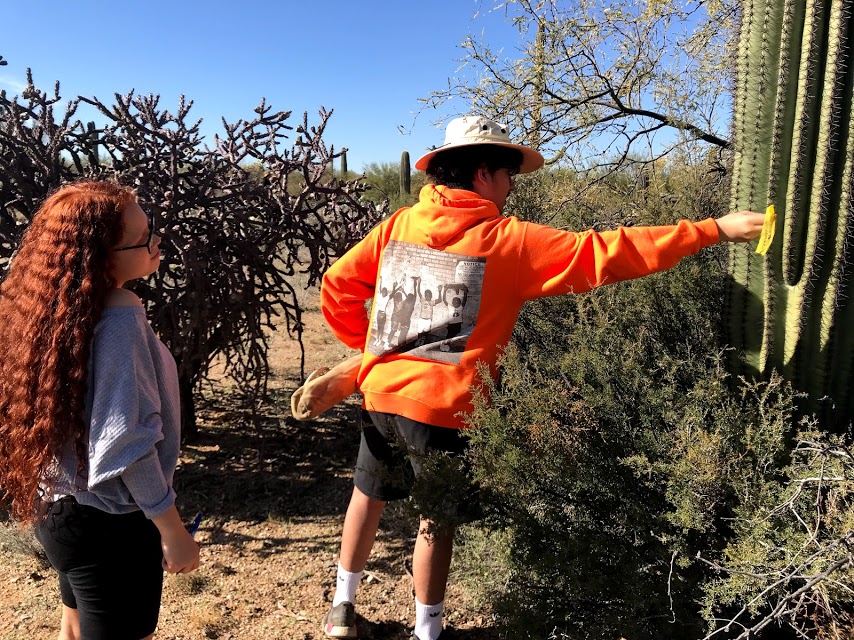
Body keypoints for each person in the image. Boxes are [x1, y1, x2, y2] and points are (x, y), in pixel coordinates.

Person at [318, 116, 765, 640]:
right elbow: (606, 252)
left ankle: (342, 608)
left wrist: (365, 347)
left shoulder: (398, 226)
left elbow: (338, 284)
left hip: (380, 394)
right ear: (483, 174)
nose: (512, 186)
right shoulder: (508, 241)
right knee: (434, 521)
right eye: (509, 173)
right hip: (442, 408)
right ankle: (428, 631)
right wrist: (714, 229)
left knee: (366, 495)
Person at [0, 181, 200, 640]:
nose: (156, 244)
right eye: (144, 237)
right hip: (110, 525)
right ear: (102, 255)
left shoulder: (55, 310)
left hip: (60, 513)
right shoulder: (120, 315)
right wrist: (171, 529)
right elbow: (126, 441)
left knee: (73, 628)